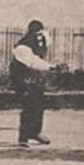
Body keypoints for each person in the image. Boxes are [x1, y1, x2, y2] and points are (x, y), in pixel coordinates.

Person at [11, 19, 59, 147]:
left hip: (33, 78)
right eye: (37, 34)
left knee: (39, 103)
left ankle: (35, 132)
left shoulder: (38, 43)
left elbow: (48, 41)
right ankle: (23, 137)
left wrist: (44, 34)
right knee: (28, 105)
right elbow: (32, 62)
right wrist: (50, 67)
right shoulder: (23, 47)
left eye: (40, 35)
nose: (40, 38)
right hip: (21, 79)